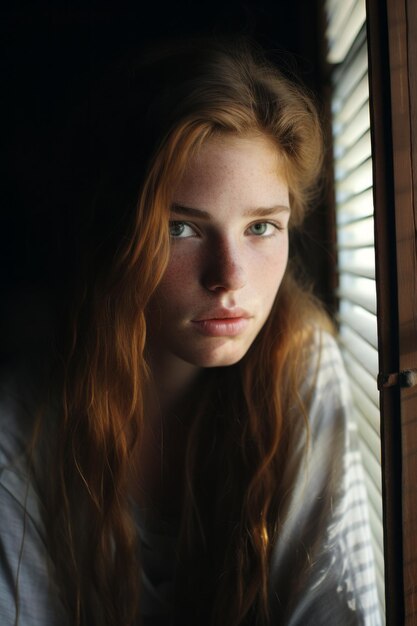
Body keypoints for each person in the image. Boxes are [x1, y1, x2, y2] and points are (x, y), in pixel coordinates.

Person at [0, 37, 381, 626]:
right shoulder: (27, 410)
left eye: (260, 227)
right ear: (116, 235)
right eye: (181, 229)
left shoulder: (298, 361)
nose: (229, 278)